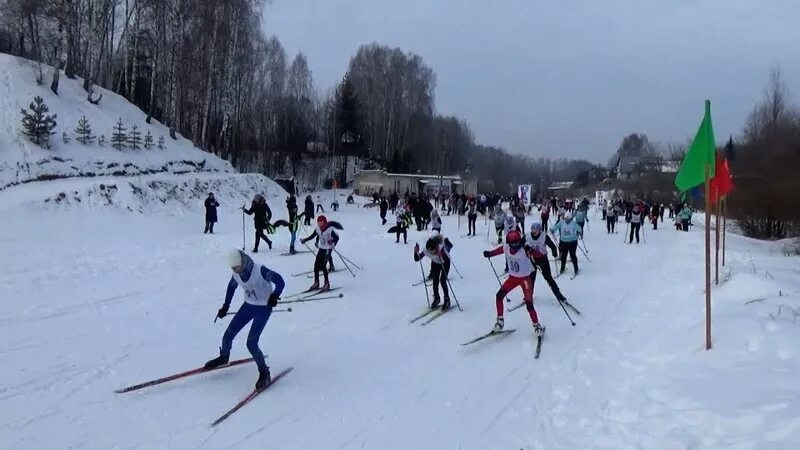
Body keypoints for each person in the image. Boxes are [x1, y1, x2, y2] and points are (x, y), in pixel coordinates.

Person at [204, 250, 285, 390]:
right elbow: (231, 288)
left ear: (243, 262)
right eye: (232, 267)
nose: (234, 270)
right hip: (248, 306)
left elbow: (280, 281)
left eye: (236, 266)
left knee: (251, 343)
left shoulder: (260, 270)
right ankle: (224, 356)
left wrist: (274, 295)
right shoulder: (236, 273)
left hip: (263, 308)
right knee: (228, 335)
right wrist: (225, 306)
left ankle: (264, 371)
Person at [483, 230, 545, 337]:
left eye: (516, 243)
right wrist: (489, 253)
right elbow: (498, 250)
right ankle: (500, 321)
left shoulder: (524, 250)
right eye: (512, 243)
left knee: (529, 304)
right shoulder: (507, 247)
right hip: (513, 278)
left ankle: (536, 325)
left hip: (525, 279)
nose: (514, 246)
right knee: (499, 296)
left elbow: (539, 255)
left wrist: (532, 250)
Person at [526, 222, 566, 302]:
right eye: (532, 230)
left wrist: (554, 252)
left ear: (539, 230)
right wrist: (528, 249)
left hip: (542, 259)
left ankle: (558, 293)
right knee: (531, 278)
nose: (533, 232)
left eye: (535, 230)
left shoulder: (543, 236)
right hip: (532, 259)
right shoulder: (528, 236)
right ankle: (528, 295)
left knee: (548, 277)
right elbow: (521, 244)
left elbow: (552, 245)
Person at [413, 234, 452, 310]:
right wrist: (415, 252)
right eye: (429, 251)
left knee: (443, 281)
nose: (431, 252)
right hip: (435, 263)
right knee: (435, 280)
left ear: (436, 247)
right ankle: (436, 298)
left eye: (433, 250)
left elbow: (446, 259)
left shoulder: (441, 249)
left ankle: (447, 299)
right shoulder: (426, 250)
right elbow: (417, 259)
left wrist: (441, 255)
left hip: (445, 263)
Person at [300, 215, 339, 291]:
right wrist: (305, 240)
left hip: (328, 248)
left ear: (324, 222)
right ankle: (316, 283)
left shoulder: (330, 229)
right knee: (316, 266)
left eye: (320, 223)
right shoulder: (318, 229)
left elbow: (337, 238)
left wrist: (332, 241)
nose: (319, 224)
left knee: (323, 266)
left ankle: (327, 283)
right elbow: (312, 236)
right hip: (322, 248)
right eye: (318, 223)